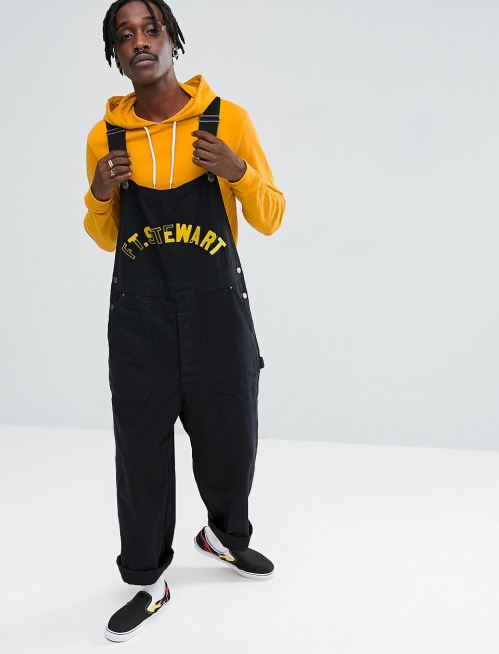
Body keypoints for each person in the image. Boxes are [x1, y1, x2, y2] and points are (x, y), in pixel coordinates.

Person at [83, 0, 286, 643]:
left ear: (173, 39)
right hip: (140, 319)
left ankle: (223, 535)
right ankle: (148, 579)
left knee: (232, 435)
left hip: (217, 310)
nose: (140, 42)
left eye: (151, 29)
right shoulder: (106, 137)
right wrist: (100, 194)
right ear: (116, 55)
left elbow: (272, 216)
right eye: (125, 36)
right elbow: (104, 237)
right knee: (141, 449)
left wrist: (237, 171)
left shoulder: (228, 120)